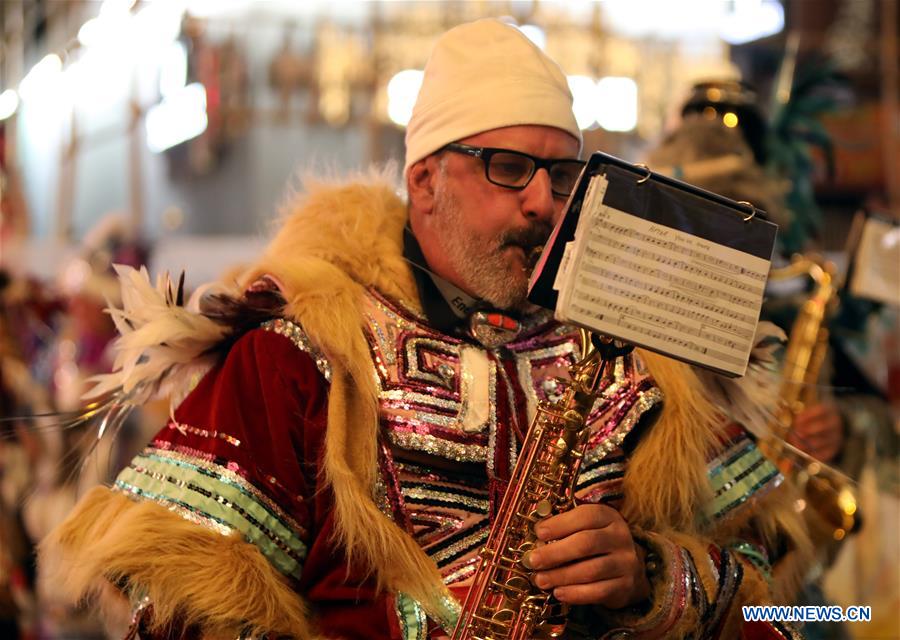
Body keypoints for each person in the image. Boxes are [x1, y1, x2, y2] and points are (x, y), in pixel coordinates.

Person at [40, 20, 809, 639]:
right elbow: (171, 601)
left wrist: (653, 578)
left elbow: (793, 607)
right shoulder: (302, 353)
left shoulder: (646, 362)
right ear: (424, 181)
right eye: (508, 166)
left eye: (563, 174)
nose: (543, 202)